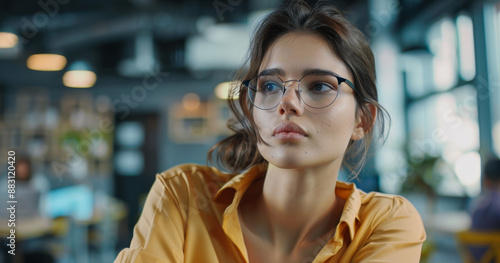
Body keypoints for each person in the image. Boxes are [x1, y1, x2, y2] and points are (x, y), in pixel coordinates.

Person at [114, 1, 426, 262]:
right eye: (271, 86)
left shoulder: (385, 223)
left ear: (362, 120)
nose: (286, 102)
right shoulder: (182, 197)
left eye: (319, 86)